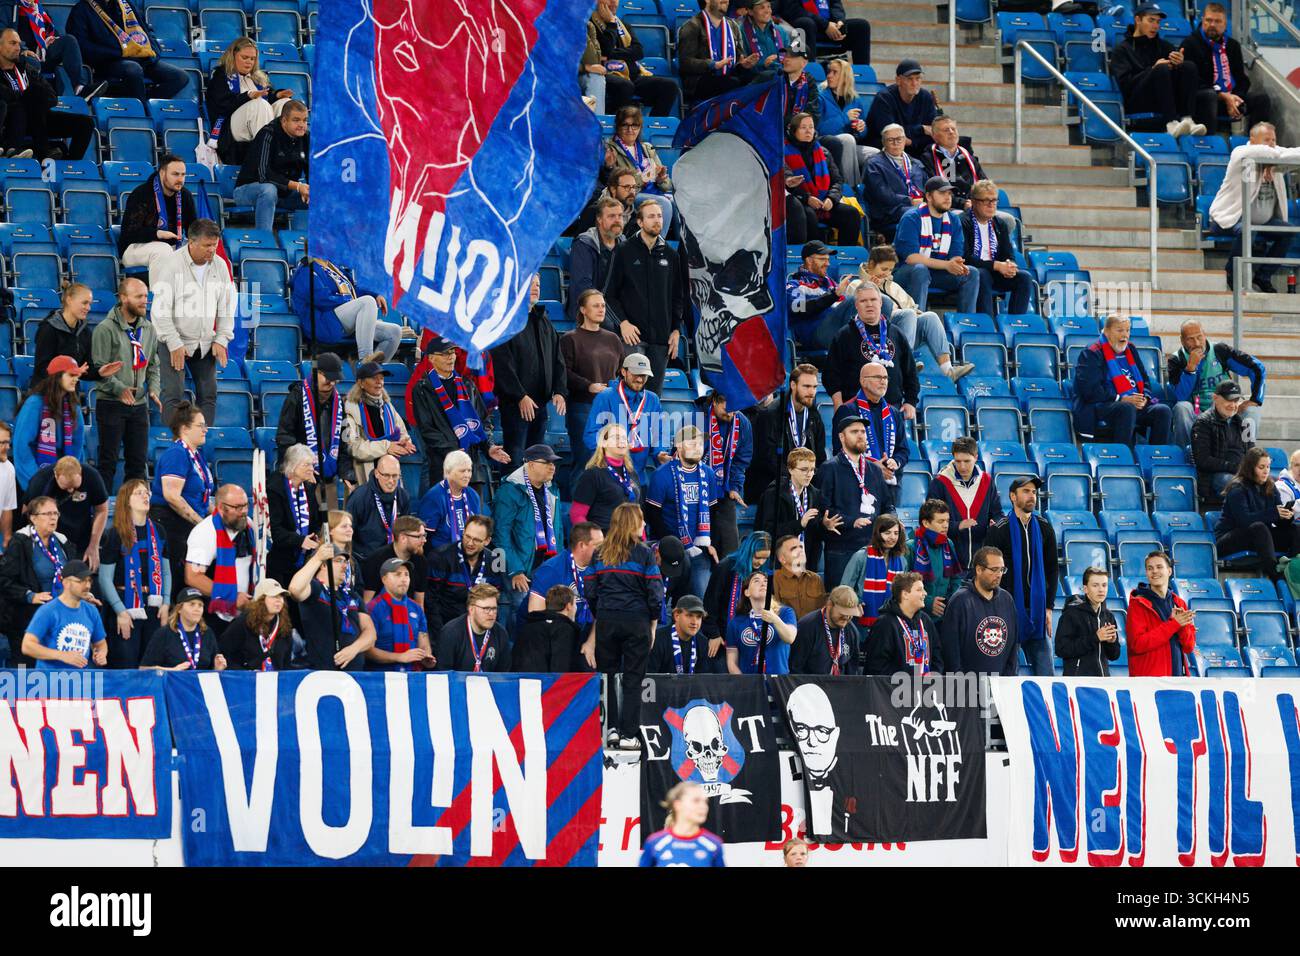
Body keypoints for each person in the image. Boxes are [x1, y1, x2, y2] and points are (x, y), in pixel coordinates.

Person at [582, 502, 663, 749]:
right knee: (633, 678)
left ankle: (612, 730)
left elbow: (590, 590)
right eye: (641, 520)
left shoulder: (599, 553)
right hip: (636, 621)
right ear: (631, 523)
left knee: (607, 675)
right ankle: (629, 734)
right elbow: (656, 595)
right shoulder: (644, 553)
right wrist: (651, 622)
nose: (644, 524)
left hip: (607, 620)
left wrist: (603, 613)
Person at [150, 218, 234, 431]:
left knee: (209, 394)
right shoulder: (171, 264)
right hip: (174, 340)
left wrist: (222, 338)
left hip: (205, 342)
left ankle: (202, 444)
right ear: (191, 242)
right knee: (174, 394)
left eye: (214, 245)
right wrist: (174, 342)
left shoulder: (220, 265)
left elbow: (226, 307)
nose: (212, 250)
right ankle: (175, 445)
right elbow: (160, 311)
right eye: (207, 245)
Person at [1206, 122, 1300, 292]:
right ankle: (1231, 273)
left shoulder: (1275, 161)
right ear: (1252, 140)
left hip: (1262, 222)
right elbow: (1266, 153)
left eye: (1273, 140)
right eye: (1266, 140)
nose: (1271, 144)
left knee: (1289, 232)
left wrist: (1274, 158)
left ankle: (1263, 277)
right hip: (1229, 218)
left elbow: (1295, 154)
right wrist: (1276, 155)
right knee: (1248, 229)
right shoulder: (1240, 154)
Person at [603, 201, 685, 392]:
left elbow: (678, 297)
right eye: (651, 216)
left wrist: (675, 329)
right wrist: (623, 323)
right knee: (630, 392)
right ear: (640, 222)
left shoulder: (671, 256)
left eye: (659, 216)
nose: (657, 221)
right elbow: (608, 295)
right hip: (633, 338)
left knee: (653, 396)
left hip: (661, 339)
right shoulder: (623, 251)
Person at [411, 334, 509, 494]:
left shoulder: (467, 385)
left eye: (452, 353)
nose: (450, 357)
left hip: (472, 469)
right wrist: (453, 451)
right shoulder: (422, 389)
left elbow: (482, 422)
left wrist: (489, 446)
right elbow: (428, 430)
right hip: (445, 468)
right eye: (444, 354)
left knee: (473, 518)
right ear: (431, 358)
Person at [858, 245, 972, 381]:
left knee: (930, 316)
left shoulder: (894, 287)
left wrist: (916, 313)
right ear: (871, 264)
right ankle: (907, 362)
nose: (887, 273)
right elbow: (856, 312)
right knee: (908, 314)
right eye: (883, 269)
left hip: (904, 332)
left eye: (890, 270)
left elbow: (912, 307)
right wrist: (870, 289)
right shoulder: (857, 285)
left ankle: (948, 369)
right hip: (877, 336)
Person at [986, 477, 1059, 677]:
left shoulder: (1045, 527)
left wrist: (1049, 607)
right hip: (1007, 610)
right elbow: (987, 570)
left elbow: (1053, 569)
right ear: (1012, 496)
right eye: (1026, 491)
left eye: (1034, 492)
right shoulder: (999, 529)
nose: (1031, 496)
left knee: (1047, 675)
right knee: (1007, 675)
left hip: (1037, 611)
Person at [492, 278, 568, 467]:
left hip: (540, 404)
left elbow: (557, 359)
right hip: (515, 405)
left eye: (539, 285)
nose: (536, 288)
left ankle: (533, 497)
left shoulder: (544, 321)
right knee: (515, 458)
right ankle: (512, 496)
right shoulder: (506, 321)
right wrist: (520, 396)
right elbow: (502, 364)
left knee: (537, 461)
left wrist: (559, 390)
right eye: (530, 283)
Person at [90, 277, 159, 484]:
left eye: (146, 296)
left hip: (139, 405)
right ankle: (101, 511)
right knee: (108, 462)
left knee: (138, 464)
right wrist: (119, 388)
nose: (144, 301)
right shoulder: (105, 329)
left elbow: (154, 364)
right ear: (123, 298)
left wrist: (154, 388)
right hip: (111, 404)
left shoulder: (149, 329)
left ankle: (133, 513)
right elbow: (99, 370)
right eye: (139, 296)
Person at [0, 496, 77, 665]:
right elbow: (4, 580)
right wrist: (30, 596)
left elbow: (74, 575)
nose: (53, 517)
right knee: (25, 671)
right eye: (47, 513)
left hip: (60, 618)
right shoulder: (20, 542)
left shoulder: (63, 541)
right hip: (27, 618)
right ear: (33, 517)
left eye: (55, 513)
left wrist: (81, 593)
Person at [817, 415, 892, 589]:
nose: (860, 435)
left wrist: (892, 521)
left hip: (872, 548)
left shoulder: (874, 469)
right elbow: (822, 508)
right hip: (841, 549)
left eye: (863, 432)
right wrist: (852, 521)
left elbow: (888, 504)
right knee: (842, 604)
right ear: (842, 437)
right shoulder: (830, 468)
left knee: (871, 604)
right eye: (854, 431)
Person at [1072, 313, 1171, 445]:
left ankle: (1157, 458)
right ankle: (1124, 457)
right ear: (1106, 332)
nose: (1124, 335)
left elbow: (1145, 380)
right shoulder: (1092, 352)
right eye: (1119, 330)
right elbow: (1090, 390)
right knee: (1126, 408)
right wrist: (1121, 398)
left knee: (1162, 411)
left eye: (1127, 330)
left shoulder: (1131, 349)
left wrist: (1144, 398)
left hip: (1131, 403)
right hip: (1102, 405)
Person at [1110, 4, 1206, 138]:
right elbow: (1126, 84)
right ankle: (1170, 123)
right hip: (1137, 100)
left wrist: (1178, 64)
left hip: (1165, 98)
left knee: (1188, 66)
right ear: (1138, 20)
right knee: (1161, 68)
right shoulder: (1122, 50)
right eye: (1151, 20)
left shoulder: (1165, 46)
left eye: (1158, 22)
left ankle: (1187, 119)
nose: (1155, 26)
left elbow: (1175, 76)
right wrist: (1153, 70)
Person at [561, 289, 625, 488]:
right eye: (596, 305)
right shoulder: (570, 338)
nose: (601, 309)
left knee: (611, 464)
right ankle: (579, 516)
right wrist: (588, 386)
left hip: (612, 409)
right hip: (582, 407)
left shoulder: (613, 339)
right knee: (585, 462)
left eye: (603, 305)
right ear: (583, 309)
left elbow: (622, 371)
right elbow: (564, 372)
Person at [149, 401, 213, 601]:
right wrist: (201, 524)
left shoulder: (195, 455)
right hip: (173, 526)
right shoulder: (176, 454)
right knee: (180, 581)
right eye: (200, 425)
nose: (206, 429)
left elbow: (200, 496)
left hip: (189, 526)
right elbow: (172, 496)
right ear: (185, 429)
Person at [1168, 319, 1266, 448]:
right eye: (1190, 339)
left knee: (1252, 410)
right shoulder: (1176, 359)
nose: (1196, 343)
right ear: (1182, 340)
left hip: (1225, 406)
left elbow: (1257, 367)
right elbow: (1180, 396)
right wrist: (1190, 368)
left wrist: (1255, 399)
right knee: (1181, 408)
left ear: (1205, 334)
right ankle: (1188, 452)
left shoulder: (1220, 350)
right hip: (1196, 410)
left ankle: (1247, 453)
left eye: (1199, 337)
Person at [65, 0, 185, 105]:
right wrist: (119, 53)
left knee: (179, 77)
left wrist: (153, 51)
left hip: (139, 57)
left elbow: (147, 31)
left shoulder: (126, 5)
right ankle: (141, 114)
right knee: (133, 69)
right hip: (108, 61)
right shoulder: (81, 10)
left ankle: (144, 103)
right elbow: (83, 47)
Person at [826, 283, 919, 417]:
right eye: (863, 301)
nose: (869, 304)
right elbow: (831, 374)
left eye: (873, 299)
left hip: (892, 409)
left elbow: (910, 372)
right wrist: (838, 404)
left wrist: (911, 401)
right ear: (856, 305)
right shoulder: (844, 335)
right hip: (855, 410)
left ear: (880, 302)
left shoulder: (897, 334)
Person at [891, 176, 981, 314]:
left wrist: (956, 263)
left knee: (971, 273)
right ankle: (917, 320)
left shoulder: (954, 220)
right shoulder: (912, 218)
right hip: (907, 272)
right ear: (928, 196)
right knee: (920, 270)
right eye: (942, 193)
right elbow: (911, 258)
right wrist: (946, 265)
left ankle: (965, 323)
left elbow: (955, 255)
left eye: (949, 193)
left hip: (937, 273)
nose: (948, 197)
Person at [645, 426, 717, 599]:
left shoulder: (708, 473)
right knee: (663, 600)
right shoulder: (661, 475)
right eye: (692, 443)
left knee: (698, 602)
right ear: (678, 445)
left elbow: (713, 510)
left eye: (700, 444)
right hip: (671, 551)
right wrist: (672, 545)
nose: (697, 447)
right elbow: (653, 514)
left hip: (700, 549)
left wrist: (711, 542)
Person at [276, 351, 353, 510]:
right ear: (316, 373)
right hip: (302, 479)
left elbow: (343, 442)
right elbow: (285, 437)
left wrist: (346, 473)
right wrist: (301, 468)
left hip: (328, 480)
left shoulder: (338, 402)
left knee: (330, 528)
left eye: (335, 379)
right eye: (327, 377)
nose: (331, 383)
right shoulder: (296, 397)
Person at [101, 485, 167, 672]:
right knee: (126, 663)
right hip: (125, 603)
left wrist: (166, 603)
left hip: (154, 604)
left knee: (152, 664)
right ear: (126, 500)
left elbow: (166, 572)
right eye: (138, 493)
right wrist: (120, 612)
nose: (145, 496)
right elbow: (105, 579)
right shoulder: (115, 533)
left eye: (147, 492)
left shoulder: (159, 531)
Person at [0, 27, 92, 159]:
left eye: (19, 44)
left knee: (86, 124)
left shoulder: (26, 67)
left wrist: (32, 97)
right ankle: (39, 151)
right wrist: (28, 97)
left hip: (37, 118)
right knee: (27, 100)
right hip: (10, 121)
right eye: (12, 43)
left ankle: (68, 168)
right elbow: (6, 97)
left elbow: (52, 97)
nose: (18, 48)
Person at [290, 256, 403, 363]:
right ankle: (366, 360)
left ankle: (372, 376)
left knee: (394, 332)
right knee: (367, 302)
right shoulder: (306, 270)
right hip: (323, 323)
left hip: (343, 320)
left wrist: (375, 295)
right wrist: (350, 302)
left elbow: (353, 290)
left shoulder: (332, 267)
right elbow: (321, 299)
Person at [492, 443, 562, 612]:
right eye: (547, 463)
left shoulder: (552, 489)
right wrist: (515, 570)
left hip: (546, 564)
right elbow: (501, 535)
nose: (552, 467)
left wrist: (559, 564)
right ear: (531, 464)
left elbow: (558, 531)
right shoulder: (509, 491)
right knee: (523, 612)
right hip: (519, 567)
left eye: (553, 463)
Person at [1181, 3, 1270, 133]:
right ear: (1202, 20)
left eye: (1217, 21)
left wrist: (1235, 98)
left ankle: (1257, 142)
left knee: (1261, 98)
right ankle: (1209, 143)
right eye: (1209, 20)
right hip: (1204, 97)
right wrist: (1222, 96)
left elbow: (1242, 79)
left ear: (1225, 24)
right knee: (1209, 96)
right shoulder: (1190, 44)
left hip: (1231, 97)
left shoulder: (1232, 46)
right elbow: (1191, 82)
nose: (1212, 24)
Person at [288, 539, 376, 671]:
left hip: (355, 673)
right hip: (323, 671)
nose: (344, 565)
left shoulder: (352, 595)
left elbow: (370, 634)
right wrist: (317, 558)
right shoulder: (315, 588)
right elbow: (295, 589)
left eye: (345, 561)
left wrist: (353, 649)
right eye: (338, 561)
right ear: (324, 565)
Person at [204, 37, 293, 165]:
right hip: (231, 129)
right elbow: (222, 106)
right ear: (233, 55)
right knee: (259, 104)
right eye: (244, 58)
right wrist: (248, 96)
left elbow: (268, 96)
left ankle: (285, 152)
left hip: (258, 118)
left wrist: (278, 95)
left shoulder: (257, 78)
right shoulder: (221, 76)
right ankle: (265, 156)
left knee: (285, 104)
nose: (249, 62)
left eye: (252, 59)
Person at [581, 0, 679, 116]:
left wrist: (612, 54)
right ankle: (615, 125)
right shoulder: (589, 25)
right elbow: (606, 49)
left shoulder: (623, 26)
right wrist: (611, 24)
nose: (614, 2)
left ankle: (650, 126)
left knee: (669, 86)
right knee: (625, 86)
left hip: (631, 75)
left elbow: (638, 52)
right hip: (605, 74)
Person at [830, 361, 910, 501]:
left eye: (885, 378)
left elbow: (903, 450)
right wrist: (872, 467)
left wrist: (895, 462)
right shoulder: (847, 410)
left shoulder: (894, 413)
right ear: (863, 381)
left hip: (890, 485)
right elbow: (840, 451)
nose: (883, 381)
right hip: (857, 484)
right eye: (878, 377)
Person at [746, 363, 826, 502]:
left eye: (814, 387)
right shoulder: (770, 414)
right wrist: (795, 478)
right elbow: (766, 459)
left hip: (803, 482)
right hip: (773, 486)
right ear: (793, 385)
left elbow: (819, 455)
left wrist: (808, 477)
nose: (811, 392)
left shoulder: (814, 415)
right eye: (806, 386)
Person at [581, 354, 667, 483]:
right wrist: (612, 453)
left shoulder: (652, 399)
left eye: (643, 376)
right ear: (624, 371)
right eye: (635, 374)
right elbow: (591, 434)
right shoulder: (606, 396)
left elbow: (659, 434)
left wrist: (660, 453)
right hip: (609, 476)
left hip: (638, 478)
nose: (639, 379)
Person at [1216, 446, 1298, 579]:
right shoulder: (1237, 488)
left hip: (1258, 536)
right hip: (1228, 539)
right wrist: (1274, 513)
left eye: (1268, 467)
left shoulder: (1270, 485)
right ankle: (1275, 574)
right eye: (1261, 467)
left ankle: (1294, 571)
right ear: (1250, 468)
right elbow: (1244, 521)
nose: (1266, 471)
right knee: (1259, 527)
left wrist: (1286, 516)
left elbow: (1276, 519)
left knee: (1295, 529)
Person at [784, 111, 861, 247]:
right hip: (800, 203)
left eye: (811, 127)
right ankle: (814, 257)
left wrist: (831, 199)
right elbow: (786, 184)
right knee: (809, 215)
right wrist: (807, 198)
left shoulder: (823, 152)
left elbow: (837, 180)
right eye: (803, 127)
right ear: (793, 130)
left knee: (851, 214)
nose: (808, 131)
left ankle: (845, 257)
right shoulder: (783, 152)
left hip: (824, 203)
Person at [185, 483, 254, 634]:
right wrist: (231, 596)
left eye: (245, 505)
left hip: (246, 612)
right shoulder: (204, 532)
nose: (243, 511)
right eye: (237, 507)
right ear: (222, 508)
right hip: (217, 614)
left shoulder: (248, 525)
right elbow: (193, 577)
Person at [939, 545, 1020, 674]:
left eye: (1001, 570)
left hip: (999, 686)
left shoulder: (1007, 599)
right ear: (979, 570)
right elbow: (951, 650)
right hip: (967, 687)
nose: (998, 575)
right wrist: (961, 685)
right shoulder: (960, 601)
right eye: (994, 570)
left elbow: (1013, 644)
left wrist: (1007, 679)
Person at [926, 435, 1003, 569]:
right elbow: (930, 522)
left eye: (967, 461)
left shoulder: (987, 481)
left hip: (981, 563)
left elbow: (997, 513)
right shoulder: (940, 483)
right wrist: (958, 526)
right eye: (958, 461)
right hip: (948, 562)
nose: (962, 466)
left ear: (976, 457)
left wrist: (996, 523)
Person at [233, 99, 309, 231]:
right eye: (296, 120)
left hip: (283, 194)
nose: (302, 125)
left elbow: (312, 171)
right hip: (248, 191)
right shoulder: (268, 133)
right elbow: (264, 175)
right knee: (268, 190)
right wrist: (297, 186)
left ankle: (306, 244)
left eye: (305, 120)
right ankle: (264, 241)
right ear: (284, 121)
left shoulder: (306, 137)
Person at [755, 447, 837, 571]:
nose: (809, 474)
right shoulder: (774, 494)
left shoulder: (815, 494)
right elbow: (768, 531)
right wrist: (800, 524)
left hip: (806, 562)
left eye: (812, 470)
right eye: (804, 470)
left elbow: (816, 534)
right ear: (790, 469)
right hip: (780, 563)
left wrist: (824, 525)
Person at [118, 154, 196, 278]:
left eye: (183, 174)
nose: (180, 179)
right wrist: (157, 234)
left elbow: (193, 227)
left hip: (173, 246)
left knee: (204, 249)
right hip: (134, 248)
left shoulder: (185, 195)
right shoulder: (142, 193)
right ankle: (160, 295)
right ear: (162, 173)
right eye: (175, 174)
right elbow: (129, 234)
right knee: (163, 250)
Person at [526, 521, 604, 645]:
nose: (603, 549)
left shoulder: (600, 568)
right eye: (598, 545)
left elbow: (603, 609)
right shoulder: (551, 569)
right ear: (582, 545)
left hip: (585, 636)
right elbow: (536, 616)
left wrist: (590, 644)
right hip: (551, 639)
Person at [963, 179, 1033, 316]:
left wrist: (1010, 265)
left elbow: (1008, 253)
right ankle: (988, 324)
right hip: (972, 272)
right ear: (975, 202)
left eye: (994, 201)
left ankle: (1015, 325)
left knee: (1024, 277)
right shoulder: (963, 222)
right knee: (982, 274)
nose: (991, 205)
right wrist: (996, 266)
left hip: (995, 272)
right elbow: (965, 258)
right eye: (986, 201)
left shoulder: (1000, 224)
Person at [13, 355, 84, 489]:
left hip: (66, 478)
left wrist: (73, 476)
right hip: (37, 473)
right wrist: (36, 482)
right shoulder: (34, 404)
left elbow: (77, 445)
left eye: (77, 375)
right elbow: (21, 447)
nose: (76, 379)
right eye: (71, 375)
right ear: (57, 377)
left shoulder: (74, 406)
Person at [20, 558, 104, 669]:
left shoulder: (91, 611)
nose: (87, 586)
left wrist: (100, 654)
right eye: (81, 581)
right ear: (66, 583)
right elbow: (27, 646)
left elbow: (100, 643)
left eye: (89, 581)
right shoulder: (48, 611)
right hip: (49, 681)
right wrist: (61, 655)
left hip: (79, 682)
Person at [343, 359, 416, 486]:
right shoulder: (350, 409)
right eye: (373, 378)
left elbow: (403, 434)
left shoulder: (388, 407)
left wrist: (404, 444)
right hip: (365, 477)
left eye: (381, 378)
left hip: (390, 475)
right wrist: (387, 446)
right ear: (360, 383)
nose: (379, 382)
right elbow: (353, 448)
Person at [602, 105, 676, 231]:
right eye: (625, 125)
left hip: (654, 193)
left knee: (680, 203)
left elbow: (667, 186)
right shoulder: (610, 148)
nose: (630, 129)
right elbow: (616, 184)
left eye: (634, 125)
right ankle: (657, 246)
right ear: (618, 127)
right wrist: (647, 176)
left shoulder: (647, 148)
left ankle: (682, 247)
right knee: (664, 204)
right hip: (630, 195)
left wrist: (660, 179)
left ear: (640, 127)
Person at [426, 514, 503, 633]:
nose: (470, 543)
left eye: (477, 540)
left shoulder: (495, 561)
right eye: (467, 537)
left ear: (487, 541)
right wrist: (442, 633)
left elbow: (495, 600)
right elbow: (431, 602)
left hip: (479, 629)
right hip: (447, 627)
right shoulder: (440, 557)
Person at [33, 283, 119, 388]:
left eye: (90, 304)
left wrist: (99, 372)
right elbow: (42, 369)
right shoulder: (48, 329)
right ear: (69, 300)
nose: (88, 308)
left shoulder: (85, 332)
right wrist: (71, 372)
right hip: (47, 394)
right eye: (84, 303)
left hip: (70, 395)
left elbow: (84, 368)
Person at [1126, 550, 1197, 677]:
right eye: (1150, 568)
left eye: (1159, 567)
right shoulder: (1138, 604)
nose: (1154, 571)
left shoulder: (1179, 603)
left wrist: (1183, 627)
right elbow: (1137, 645)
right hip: (1149, 683)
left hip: (1178, 679)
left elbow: (1189, 647)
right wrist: (1174, 624)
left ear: (1169, 571)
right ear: (1146, 573)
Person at [25, 457, 107, 564]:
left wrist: (94, 545)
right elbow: (28, 515)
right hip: (51, 539)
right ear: (56, 475)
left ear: (81, 473)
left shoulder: (92, 476)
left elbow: (101, 510)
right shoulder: (40, 482)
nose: (71, 490)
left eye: (75, 486)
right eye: (66, 487)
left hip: (82, 537)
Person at [266, 442, 325, 590]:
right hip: (280, 561)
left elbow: (318, 519)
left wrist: (315, 535)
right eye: (307, 465)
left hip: (304, 560)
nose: (311, 469)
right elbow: (276, 530)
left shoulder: (309, 486)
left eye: (312, 465)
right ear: (293, 465)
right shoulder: (275, 488)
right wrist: (300, 540)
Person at [677, 0, 757, 104]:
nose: (726, 1)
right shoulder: (692, 26)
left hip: (728, 77)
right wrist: (712, 64)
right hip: (699, 80)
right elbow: (685, 63)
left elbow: (738, 61)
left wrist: (743, 65)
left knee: (758, 80)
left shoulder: (733, 26)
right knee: (731, 83)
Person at [863, 571, 941, 675]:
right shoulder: (885, 624)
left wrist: (934, 674)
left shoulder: (925, 620)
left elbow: (937, 654)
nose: (925, 593)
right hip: (894, 689)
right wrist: (904, 682)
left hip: (924, 689)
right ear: (905, 594)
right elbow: (877, 666)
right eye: (919, 590)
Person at [702, 530, 771, 645]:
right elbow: (711, 602)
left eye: (765, 558)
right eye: (757, 557)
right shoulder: (726, 567)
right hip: (723, 636)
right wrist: (714, 634)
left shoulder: (764, 573)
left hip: (751, 636)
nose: (761, 562)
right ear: (748, 551)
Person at [365, 557, 434, 672]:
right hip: (382, 679)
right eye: (397, 574)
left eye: (406, 575)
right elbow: (367, 650)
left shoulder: (416, 608)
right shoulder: (373, 608)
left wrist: (426, 657)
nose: (403, 579)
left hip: (412, 677)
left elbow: (423, 643)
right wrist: (400, 657)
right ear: (384, 579)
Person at [1191, 380, 1254, 503]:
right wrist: (1237, 468)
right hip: (1214, 477)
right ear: (1215, 398)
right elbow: (1203, 461)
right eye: (1229, 400)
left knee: (1275, 484)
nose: (1233, 405)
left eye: (1236, 401)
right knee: (1239, 487)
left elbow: (1252, 454)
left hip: (1241, 474)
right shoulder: (1203, 423)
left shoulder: (1244, 424)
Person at [724, 569, 798, 674]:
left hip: (778, 682)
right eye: (756, 581)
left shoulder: (785, 612)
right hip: (749, 683)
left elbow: (790, 638)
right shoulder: (735, 623)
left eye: (766, 581)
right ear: (747, 592)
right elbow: (732, 662)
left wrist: (775, 619)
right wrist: (743, 683)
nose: (763, 583)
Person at [840, 512, 906, 628]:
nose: (892, 537)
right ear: (877, 534)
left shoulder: (902, 560)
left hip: (892, 621)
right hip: (862, 620)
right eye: (887, 533)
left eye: (896, 533)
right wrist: (857, 601)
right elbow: (844, 589)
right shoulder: (861, 556)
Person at [786, 239, 854, 350]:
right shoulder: (795, 285)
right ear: (809, 261)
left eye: (828, 259)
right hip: (814, 335)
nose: (828, 264)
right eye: (822, 259)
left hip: (839, 330)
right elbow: (800, 309)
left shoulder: (831, 284)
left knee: (882, 301)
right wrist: (833, 295)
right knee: (854, 301)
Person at [817, 57, 874, 190]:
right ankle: (850, 188)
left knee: (874, 154)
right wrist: (844, 118)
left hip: (850, 145)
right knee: (847, 139)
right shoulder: (820, 96)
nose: (829, 75)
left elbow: (863, 134)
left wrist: (861, 128)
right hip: (826, 144)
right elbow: (819, 129)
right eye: (829, 72)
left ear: (845, 76)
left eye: (834, 72)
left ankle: (867, 192)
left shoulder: (855, 99)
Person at [639, 781, 726, 867]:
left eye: (705, 802)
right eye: (696, 801)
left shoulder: (713, 844)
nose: (703, 806)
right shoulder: (654, 843)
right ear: (678, 805)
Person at [864, 123, 926, 242]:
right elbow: (882, 194)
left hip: (917, 206)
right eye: (890, 140)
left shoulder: (916, 163)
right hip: (889, 213)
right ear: (883, 142)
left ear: (904, 140)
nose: (895, 143)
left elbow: (928, 188)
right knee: (920, 213)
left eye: (899, 139)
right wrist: (910, 201)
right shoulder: (874, 164)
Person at [1055, 566, 1121, 677]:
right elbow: (1061, 649)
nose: (1101, 589)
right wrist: (1095, 638)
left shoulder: (1108, 616)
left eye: (1104, 585)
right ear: (1085, 589)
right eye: (1095, 585)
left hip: (1103, 680)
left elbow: (1114, 656)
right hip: (1078, 682)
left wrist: (1112, 643)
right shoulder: (1071, 614)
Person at [139, 586, 225, 670]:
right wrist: (172, 671)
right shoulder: (164, 634)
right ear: (179, 609)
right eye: (192, 604)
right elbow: (143, 669)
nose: (197, 609)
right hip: (173, 683)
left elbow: (212, 669)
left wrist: (218, 668)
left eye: (200, 605)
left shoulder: (207, 633)